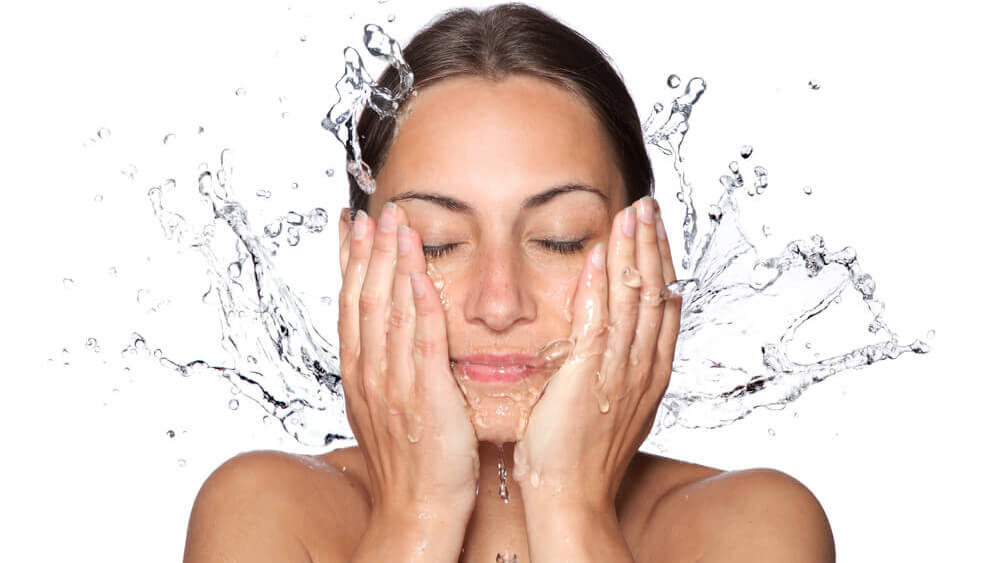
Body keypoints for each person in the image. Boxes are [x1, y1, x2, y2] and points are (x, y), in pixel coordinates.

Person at [183, 4, 835, 562]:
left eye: (560, 238)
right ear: (358, 263)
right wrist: (419, 514)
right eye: (436, 241)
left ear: (647, 260)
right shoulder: (265, 514)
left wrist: (568, 505)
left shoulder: (754, 527)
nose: (499, 302)